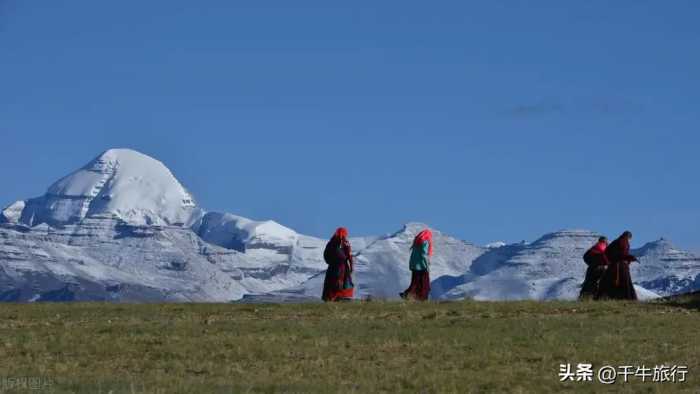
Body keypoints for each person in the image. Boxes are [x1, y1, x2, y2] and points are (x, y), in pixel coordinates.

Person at [596, 231, 638, 300]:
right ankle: (626, 298)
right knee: (624, 282)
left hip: (614, 266)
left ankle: (606, 297)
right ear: (628, 237)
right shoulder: (623, 242)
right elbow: (622, 254)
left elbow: (608, 252)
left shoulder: (617, 241)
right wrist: (630, 257)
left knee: (608, 282)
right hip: (620, 266)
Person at [322, 227, 354, 302]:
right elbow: (349, 256)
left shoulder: (331, 243)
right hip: (341, 267)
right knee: (339, 282)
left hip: (333, 267)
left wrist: (331, 262)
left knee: (332, 282)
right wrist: (351, 266)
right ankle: (341, 298)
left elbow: (326, 255)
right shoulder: (344, 243)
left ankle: (330, 298)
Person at [400, 229, 433, 301]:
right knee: (424, 284)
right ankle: (422, 298)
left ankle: (408, 294)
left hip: (414, 266)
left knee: (415, 282)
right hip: (422, 266)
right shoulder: (425, 242)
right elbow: (424, 254)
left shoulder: (416, 243)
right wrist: (427, 264)